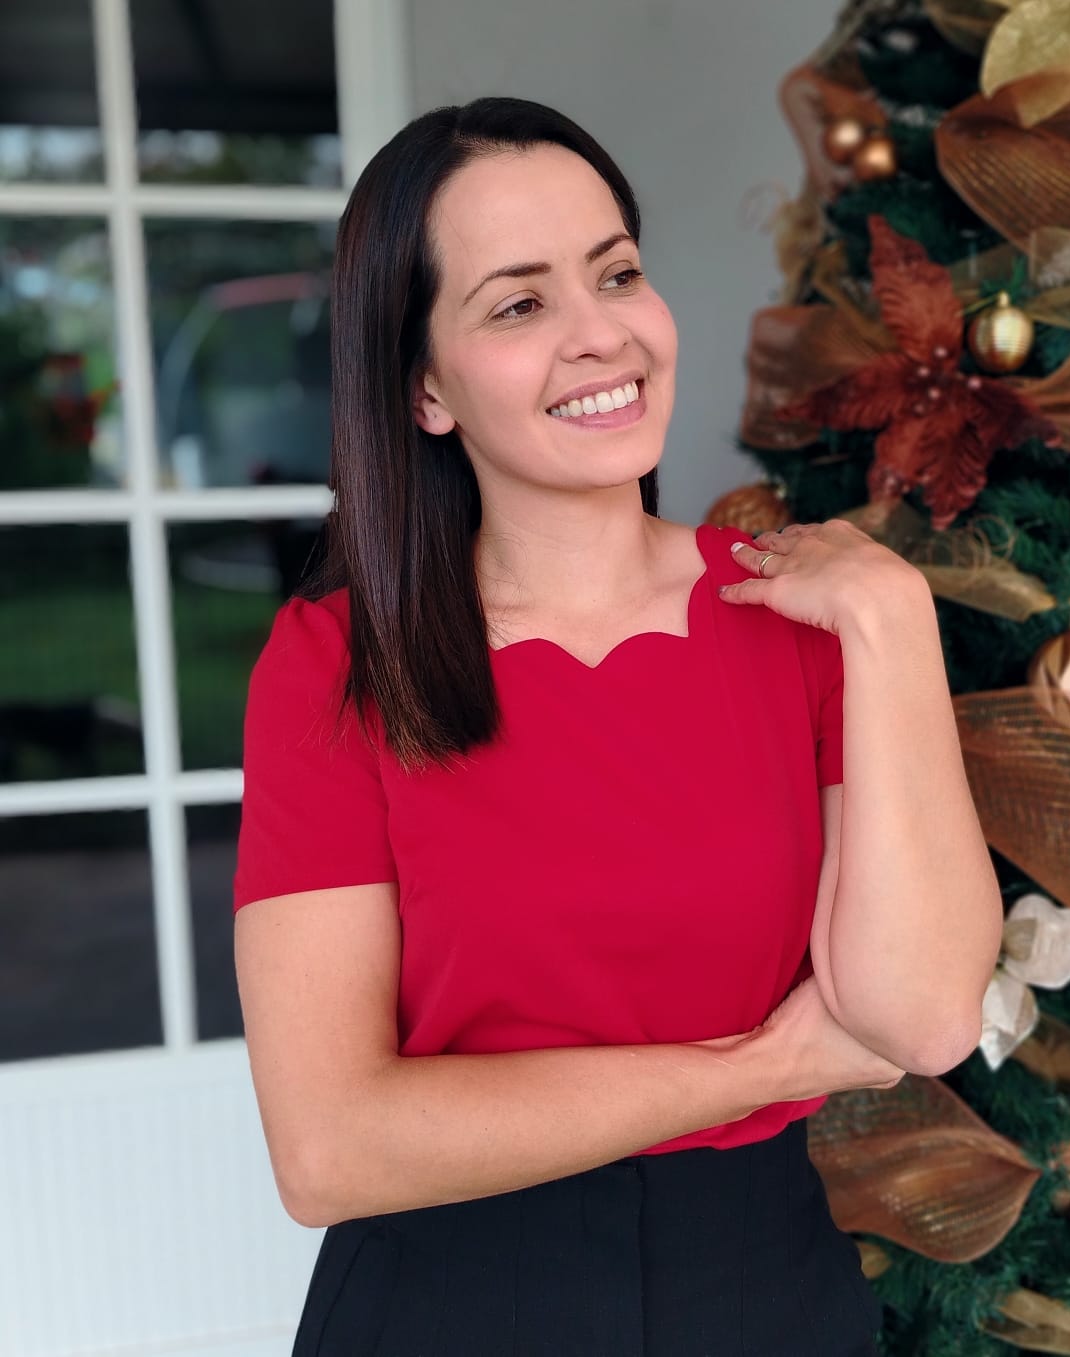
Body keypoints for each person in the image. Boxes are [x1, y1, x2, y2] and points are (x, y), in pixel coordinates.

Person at [232, 98, 1003, 1357]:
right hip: (448, 1304)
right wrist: (752, 1069)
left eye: (618, 274)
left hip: (764, 1292)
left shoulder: (803, 614)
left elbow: (919, 1021)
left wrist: (897, 624)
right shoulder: (334, 667)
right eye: (520, 304)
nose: (603, 336)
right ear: (426, 388)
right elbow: (328, 1149)